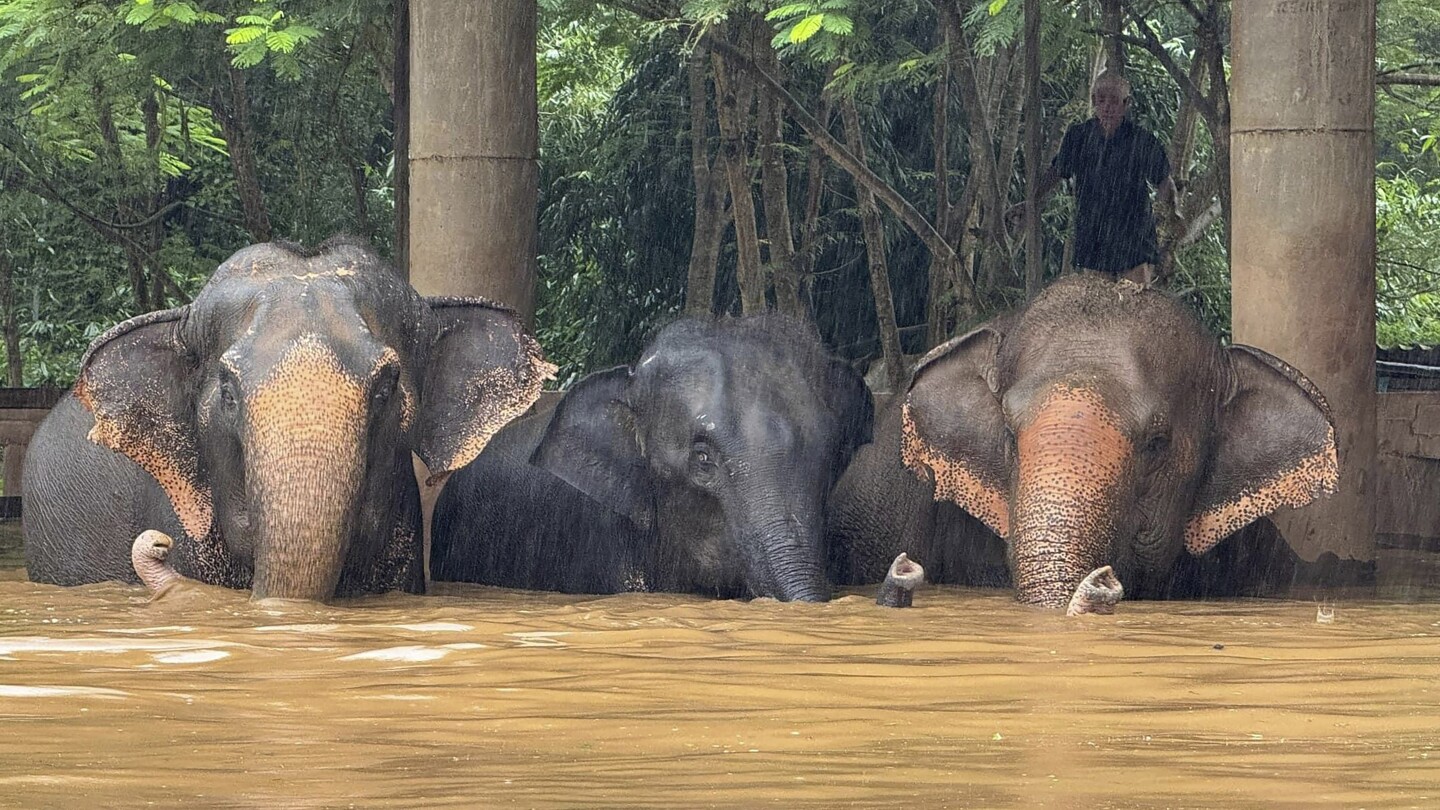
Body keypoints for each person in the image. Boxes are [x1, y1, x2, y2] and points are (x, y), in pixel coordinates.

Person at [1013, 70, 1178, 286]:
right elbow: (1057, 171)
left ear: (1126, 104)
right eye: (1101, 100)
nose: (1107, 107)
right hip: (1094, 234)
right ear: (1093, 101)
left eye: (1114, 101)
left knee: (1136, 305)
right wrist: (1032, 201)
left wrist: (1167, 215)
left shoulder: (1142, 141)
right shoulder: (1079, 136)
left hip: (1134, 236)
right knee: (1098, 307)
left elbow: (1165, 181)